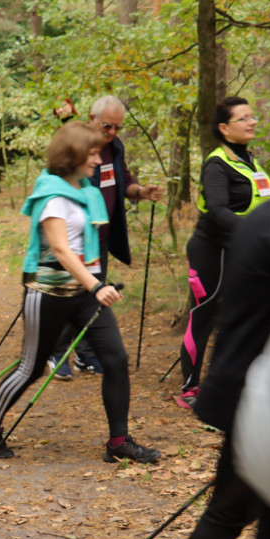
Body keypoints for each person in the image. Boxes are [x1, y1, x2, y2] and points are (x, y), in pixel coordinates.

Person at [0, 121, 159, 464]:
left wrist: (95, 285)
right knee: (32, 368)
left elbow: (86, 244)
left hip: (85, 294)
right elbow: (60, 249)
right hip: (48, 294)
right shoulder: (53, 195)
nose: (97, 160)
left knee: (115, 359)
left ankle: (118, 441)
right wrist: (96, 285)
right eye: (91, 154)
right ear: (72, 155)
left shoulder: (86, 191)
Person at [163, 199, 270, 539]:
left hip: (245, 396)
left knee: (225, 515)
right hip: (258, 401)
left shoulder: (260, 219)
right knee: (226, 515)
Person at [47, 96, 163, 379]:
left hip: (102, 236)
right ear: (91, 118)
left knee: (93, 297)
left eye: (117, 128)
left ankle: (86, 355)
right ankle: (57, 352)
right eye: (107, 126)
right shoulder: (78, 149)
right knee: (74, 294)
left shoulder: (114, 148)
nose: (112, 132)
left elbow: (122, 179)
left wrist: (140, 191)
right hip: (76, 238)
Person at [175, 96, 270, 408]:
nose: (252, 121)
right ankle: (189, 387)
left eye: (251, 116)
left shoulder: (251, 161)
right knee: (203, 315)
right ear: (224, 128)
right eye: (243, 118)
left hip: (244, 251)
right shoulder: (216, 164)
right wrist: (253, 232)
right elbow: (217, 210)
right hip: (211, 251)